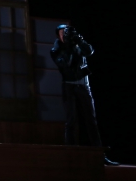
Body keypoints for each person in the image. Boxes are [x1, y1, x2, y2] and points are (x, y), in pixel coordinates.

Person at [50, 24, 119, 166]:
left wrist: (79, 41)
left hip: (84, 85)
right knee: (71, 121)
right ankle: (71, 155)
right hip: (68, 86)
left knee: (91, 121)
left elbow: (89, 51)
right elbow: (65, 64)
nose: (65, 35)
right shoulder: (56, 50)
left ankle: (100, 155)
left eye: (67, 32)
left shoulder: (77, 43)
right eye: (62, 33)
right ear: (58, 35)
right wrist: (69, 47)